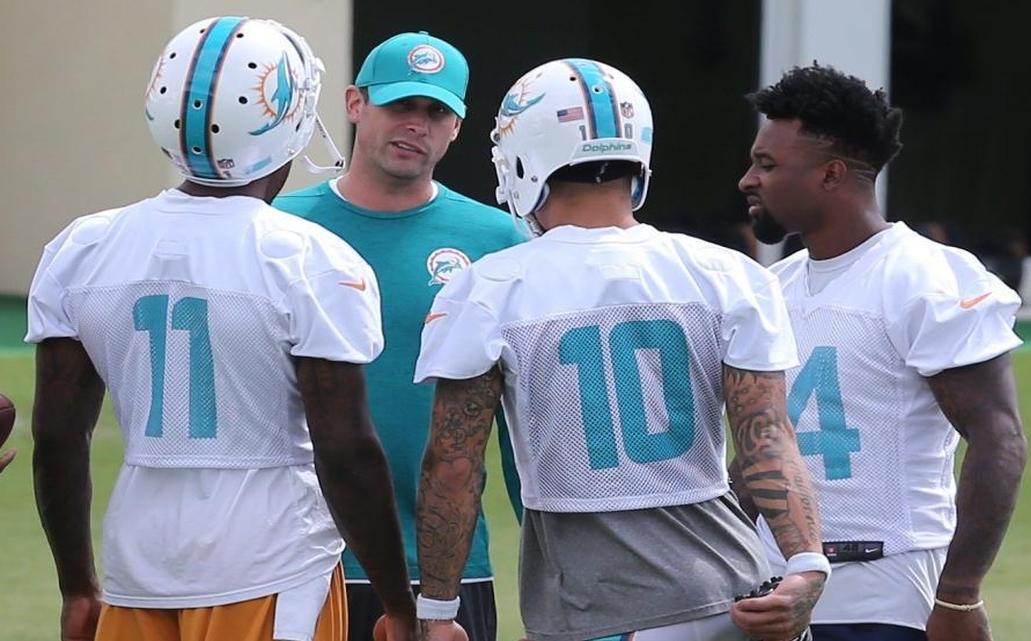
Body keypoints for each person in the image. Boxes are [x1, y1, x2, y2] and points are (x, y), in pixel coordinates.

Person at [26, 17, 417, 641]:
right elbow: (345, 450)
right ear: (288, 118)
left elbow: (56, 434)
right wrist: (399, 605)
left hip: (137, 566)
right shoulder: (308, 257)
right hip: (272, 565)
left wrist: (78, 585)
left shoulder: (84, 247)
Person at [411, 58, 827, 641]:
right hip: (735, 599)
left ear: (524, 157)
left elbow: (453, 468)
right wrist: (807, 563)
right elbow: (767, 438)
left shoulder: (489, 289)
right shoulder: (726, 273)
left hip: (598, 610)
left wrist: (436, 611)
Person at [736, 63, 1028, 641]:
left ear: (831, 174)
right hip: (776, 592)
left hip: (886, 594)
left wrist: (960, 596)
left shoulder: (925, 276)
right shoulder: (772, 288)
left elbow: (999, 439)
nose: (748, 179)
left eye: (767, 164)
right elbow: (759, 450)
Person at [274, 31, 526, 641]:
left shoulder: (501, 241)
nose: (417, 125)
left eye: (436, 112)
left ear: (457, 128)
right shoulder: (280, 227)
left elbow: (528, 425)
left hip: (444, 568)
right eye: (401, 106)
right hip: (294, 556)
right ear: (355, 103)